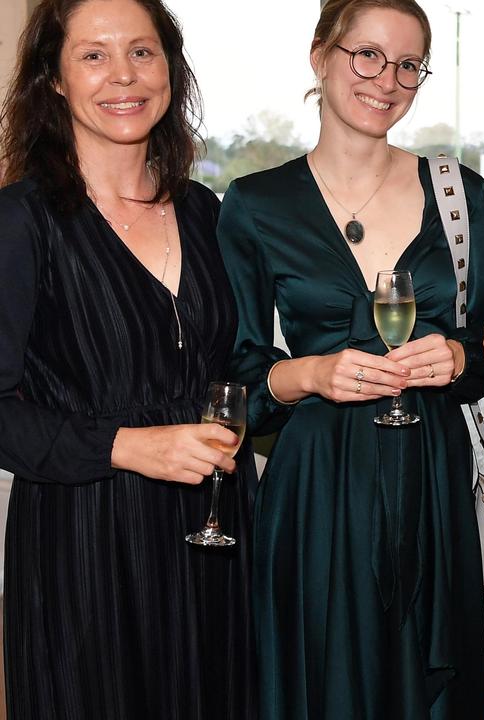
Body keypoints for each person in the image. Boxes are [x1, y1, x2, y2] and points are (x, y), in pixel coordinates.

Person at [216, 0, 484, 717]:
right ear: (322, 57)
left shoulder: (457, 194)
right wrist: (311, 373)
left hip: (432, 478)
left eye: (408, 64)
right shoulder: (255, 204)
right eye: (366, 54)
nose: (388, 78)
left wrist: (457, 358)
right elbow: (236, 381)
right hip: (317, 486)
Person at [0, 0, 255, 717]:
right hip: (85, 541)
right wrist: (124, 446)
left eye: (142, 52)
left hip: (213, 532)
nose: (124, 76)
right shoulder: (21, 222)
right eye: (93, 55)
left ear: (169, 67)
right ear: (53, 78)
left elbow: (235, 368)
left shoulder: (209, 212)